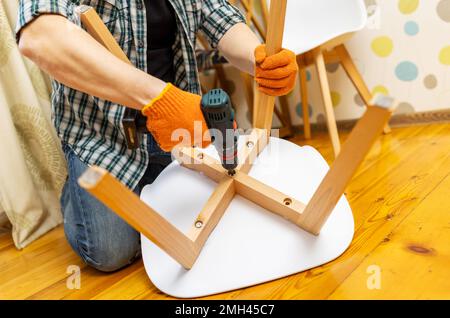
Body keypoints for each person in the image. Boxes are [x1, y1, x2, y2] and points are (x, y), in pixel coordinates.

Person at [16, 0, 298, 271]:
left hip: (179, 133)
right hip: (104, 135)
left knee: (225, 218)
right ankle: (78, 189)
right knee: (109, 252)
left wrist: (258, 59)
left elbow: (217, 14)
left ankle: (149, 184)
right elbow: (39, 36)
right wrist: (159, 99)